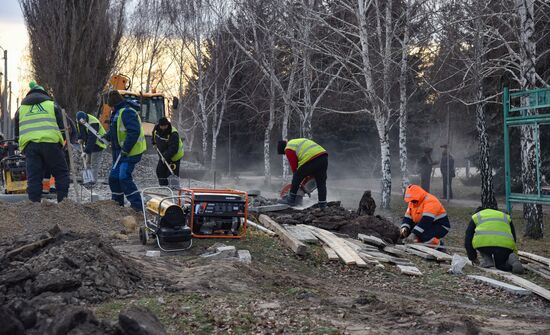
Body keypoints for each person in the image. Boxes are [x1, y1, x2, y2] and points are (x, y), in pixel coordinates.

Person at [14, 81, 69, 203]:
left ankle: (34, 206)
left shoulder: (20, 110)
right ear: (44, 93)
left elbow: (17, 135)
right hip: (51, 144)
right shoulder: (52, 105)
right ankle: (64, 204)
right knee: (61, 173)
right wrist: (62, 145)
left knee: (34, 177)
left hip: (30, 146)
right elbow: (63, 129)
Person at [105, 90, 146, 211]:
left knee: (123, 177)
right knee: (113, 178)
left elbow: (134, 132)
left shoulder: (127, 112)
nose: (111, 109)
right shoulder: (117, 113)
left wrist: (126, 149)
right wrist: (107, 136)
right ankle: (117, 205)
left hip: (130, 152)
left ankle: (137, 206)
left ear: (114, 104)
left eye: (111, 107)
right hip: (119, 153)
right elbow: (116, 130)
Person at [464, 207, 523, 273]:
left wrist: (472, 257)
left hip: (483, 245)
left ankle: (487, 260)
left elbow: (468, 239)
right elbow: (513, 236)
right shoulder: (505, 216)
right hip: (504, 245)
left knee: (481, 241)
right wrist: (511, 251)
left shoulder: (476, 216)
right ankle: (511, 260)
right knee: (501, 265)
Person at [277, 138, 328, 208]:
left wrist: (297, 180)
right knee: (321, 183)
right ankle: (322, 205)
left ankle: (291, 199)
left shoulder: (288, 148)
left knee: (297, 176)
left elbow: (294, 167)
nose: (285, 154)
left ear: (283, 149)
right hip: (323, 156)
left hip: (311, 158)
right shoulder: (295, 142)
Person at [152, 117, 184, 186]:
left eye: (165, 126)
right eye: (162, 126)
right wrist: (154, 143)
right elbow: (154, 135)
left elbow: (173, 149)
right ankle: (164, 187)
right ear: (159, 125)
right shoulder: (156, 129)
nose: (163, 128)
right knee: (159, 171)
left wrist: (165, 156)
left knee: (171, 173)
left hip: (174, 157)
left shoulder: (173, 133)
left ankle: (174, 188)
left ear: (167, 125)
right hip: (163, 155)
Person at [76, 111, 107, 181]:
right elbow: (82, 131)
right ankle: (88, 179)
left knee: (94, 164)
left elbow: (92, 138)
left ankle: (93, 181)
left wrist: (86, 151)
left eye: (83, 121)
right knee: (87, 163)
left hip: (99, 143)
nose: (81, 123)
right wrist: (80, 138)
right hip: (89, 144)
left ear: (85, 118)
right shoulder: (80, 121)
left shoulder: (93, 122)